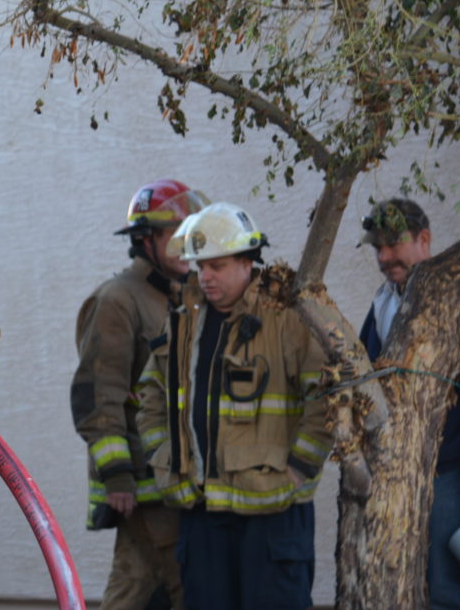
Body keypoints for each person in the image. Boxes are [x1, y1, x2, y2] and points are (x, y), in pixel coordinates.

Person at [135, 201, 332, 610]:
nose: (205, 276)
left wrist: (299, 469)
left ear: (247, 262)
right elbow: (150, 394)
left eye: (217, 266)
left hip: (272, 511)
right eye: (200, 266)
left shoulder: (287, 319)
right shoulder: (182, 322)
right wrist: (162, 457)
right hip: (202, 513)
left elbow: (327, 394)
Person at [70, 179, 208, 609]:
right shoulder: (118, 300)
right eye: (176, 235)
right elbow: (97, 395)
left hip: (179, 480)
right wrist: (117, 475)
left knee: (140, 584)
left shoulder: (190, 295)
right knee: (183, 585)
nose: (187, 246)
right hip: (144, 483)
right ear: (146, 239)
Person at [358, 198, 460, 610]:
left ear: (424, 239)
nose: (384, 258)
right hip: (395, 475)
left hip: (450, 474)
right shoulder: (383, 301)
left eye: (393, 244)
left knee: (447, 591)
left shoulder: (459, 300)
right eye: (378, 248)